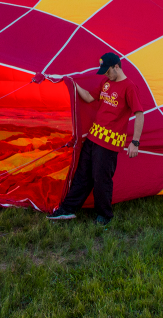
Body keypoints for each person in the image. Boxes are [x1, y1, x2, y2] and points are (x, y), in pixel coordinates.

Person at [47, 53, 144, 226]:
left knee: (101, 179)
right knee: (82, 175)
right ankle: (67, 210)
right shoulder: (106, 83)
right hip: (93, 137)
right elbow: (89, 97)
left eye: (107, 71)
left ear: (116, 67)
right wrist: (72, 84)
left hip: (109, 143)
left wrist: (135, 142)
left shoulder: (129, 87)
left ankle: (104, 216)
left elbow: (139, 114)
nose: (106, 75)